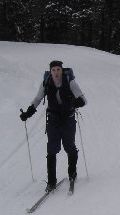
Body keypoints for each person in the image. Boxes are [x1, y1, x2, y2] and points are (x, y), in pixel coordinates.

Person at [20, 60, 87, 192]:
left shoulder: (70, 82)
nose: (56, 72)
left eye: (58, 70)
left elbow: (84, 100)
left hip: (67, 118)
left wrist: (76, 102)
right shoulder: (47, 83)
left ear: (62, 70)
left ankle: (72, 173)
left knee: (69, 146)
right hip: (53, 120)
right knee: (52, 149)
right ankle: (51, 181)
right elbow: (37, 100)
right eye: (53, 70)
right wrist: (28, 113)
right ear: (50, 72)